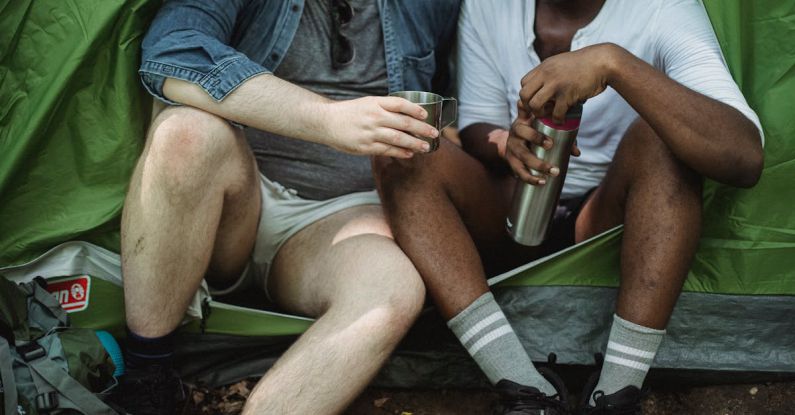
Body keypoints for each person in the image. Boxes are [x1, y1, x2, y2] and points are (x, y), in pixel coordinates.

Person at [373, 0, 764, 413]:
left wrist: (614, 64)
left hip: (611, 221)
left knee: (665, 134)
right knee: (400, 147)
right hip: (515, 207)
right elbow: (477, 123)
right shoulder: (490, 6)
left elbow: (742, 156)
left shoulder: (664, 8)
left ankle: (615, 394)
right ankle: (524, 389)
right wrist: (509, 144)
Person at [116, 1, 459, 414]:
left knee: (392, 289)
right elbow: (170, 53)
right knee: (186, 132)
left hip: (340, 220)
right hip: (240, 199)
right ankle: (147, 379)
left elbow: (455, 101)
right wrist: (325, 120)